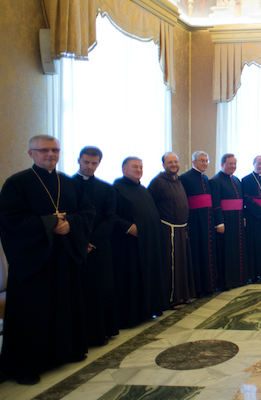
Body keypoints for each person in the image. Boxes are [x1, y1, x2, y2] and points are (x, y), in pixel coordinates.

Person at [0, 135, 94, 384]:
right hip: (34, 261)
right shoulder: (17, 183)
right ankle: (26, 366)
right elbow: (10, 220)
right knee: (33, 313)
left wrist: (70, 223)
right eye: (43, 151)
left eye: (54, 150)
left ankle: (67, 351)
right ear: (31, 153)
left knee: (65, 304)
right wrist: (51, 223)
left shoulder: (68, 183)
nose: (50, 154)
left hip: (64, 257)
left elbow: (87, 211)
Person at [112, 156, 166, 328]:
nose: (138, 170)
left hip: (148, 242)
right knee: (132, 279)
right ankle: (132, 316)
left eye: (141, 167)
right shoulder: (116, 189)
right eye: (135, 167)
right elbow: (111, 215)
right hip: (129, 246)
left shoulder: (142, 189)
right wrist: (127, 227)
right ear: (124, 169)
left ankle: (149, 309)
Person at [73, 146, 119, 346]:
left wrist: (92, 242)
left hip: (99, 247)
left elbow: (110, 218)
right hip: (74, 247)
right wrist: (80, 242)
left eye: (94, 163)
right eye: (86, 162)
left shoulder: (106, 188)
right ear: (79, 161)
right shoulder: (67, 185)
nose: (90, 167)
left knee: (101, 289)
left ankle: (101, 332)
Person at [148, 152, 196, 308]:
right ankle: (171, 298)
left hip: (181, 228)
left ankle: (182, 295)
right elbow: (151, 206)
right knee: (171, 266)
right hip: (168, 229)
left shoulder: (178, 180)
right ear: (163, 164)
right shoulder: (157, 182)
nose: (174, 164)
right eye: (170, 162)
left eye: (176, 161)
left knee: (182, 264)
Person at [179, 151, 217, 294]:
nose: (205, 163)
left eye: (207, 161)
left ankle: (209, 285)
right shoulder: (185, 178)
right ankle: (198, 288)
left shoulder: (206, 177)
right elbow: (184, 201)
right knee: (197, 253)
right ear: (194, 162)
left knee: (208, 252)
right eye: (202, 161)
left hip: (207, 220)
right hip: (195, 222)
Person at [210, 153, 248, 289]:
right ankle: (227, 282)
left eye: (234, 164)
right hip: (226, 221)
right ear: (222, 164)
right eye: (230, 164)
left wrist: (243, 217)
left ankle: (239, 279)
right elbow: (216, 203)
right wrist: (219, 222)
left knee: (238, 250)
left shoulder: (237, 180)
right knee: (227, 251)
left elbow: (241, 202)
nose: (233, 166)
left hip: (237, 220)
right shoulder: (215, 181)